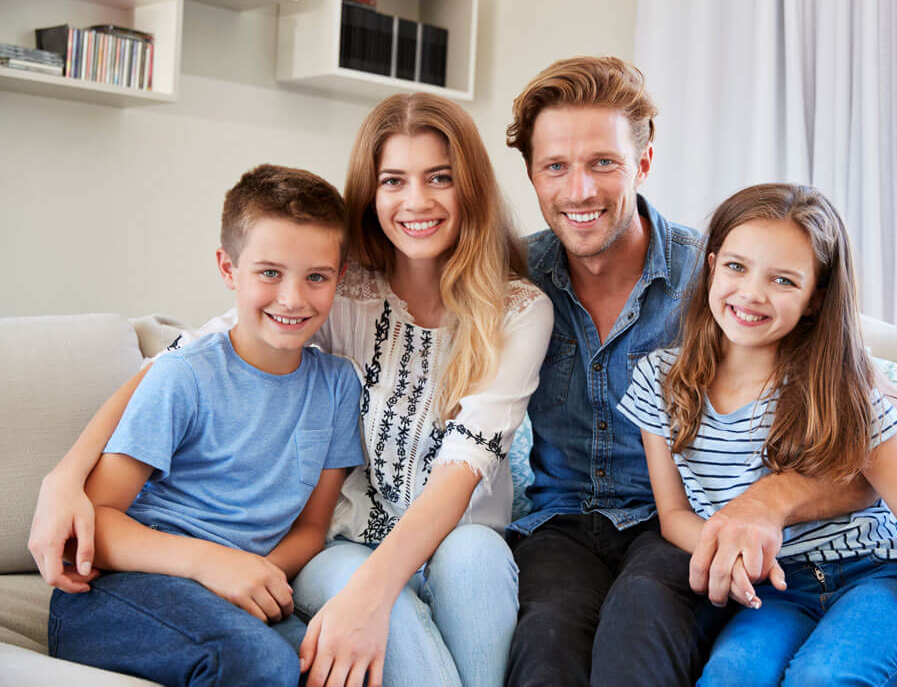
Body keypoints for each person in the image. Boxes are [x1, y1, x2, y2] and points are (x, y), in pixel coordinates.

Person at [31, 93, 553, 687]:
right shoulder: (342, 290)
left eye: (440, 177)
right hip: (327, 548)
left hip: (447, 535)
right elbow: (183, 358)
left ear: (472, 188)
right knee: (315, 638)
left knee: (474, 558)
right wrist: (63, 476)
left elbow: (460, 469)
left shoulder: (510, 313)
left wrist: (321, 584)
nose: (416, 201)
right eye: (393, 180)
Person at [502, 57, 897, 686]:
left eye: (604, 163)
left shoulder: (731, 276)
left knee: (641, 617)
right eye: (555, 167)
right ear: (534, 176)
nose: (580, 191)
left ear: (643, 164)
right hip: (562, 523)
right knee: (546, 641)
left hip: (683, 524)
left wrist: (771, 499)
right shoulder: (515, 280)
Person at [618, 182, 897, 687]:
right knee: (730, 676)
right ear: (711, 267)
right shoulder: (660, 380)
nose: (751, 293)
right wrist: (727, 550)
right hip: (774, 592)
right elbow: (674, 513)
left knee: (825, 677)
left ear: (816, 299)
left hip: (872, 577)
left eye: (784, 280)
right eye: (737, 267)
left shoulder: (837, 383)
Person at [48, 164, 365, 685]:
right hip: (120, 588)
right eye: (269, 272)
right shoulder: (184, 376)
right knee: (262, 663)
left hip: (233, 592)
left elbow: (311, 529)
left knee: (332, 663)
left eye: (316, 276)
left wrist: (257, 575)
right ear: (228, 268)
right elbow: (98, 521)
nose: (293, 298)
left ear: (340, 276)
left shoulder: (335, 388)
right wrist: (212, 565)